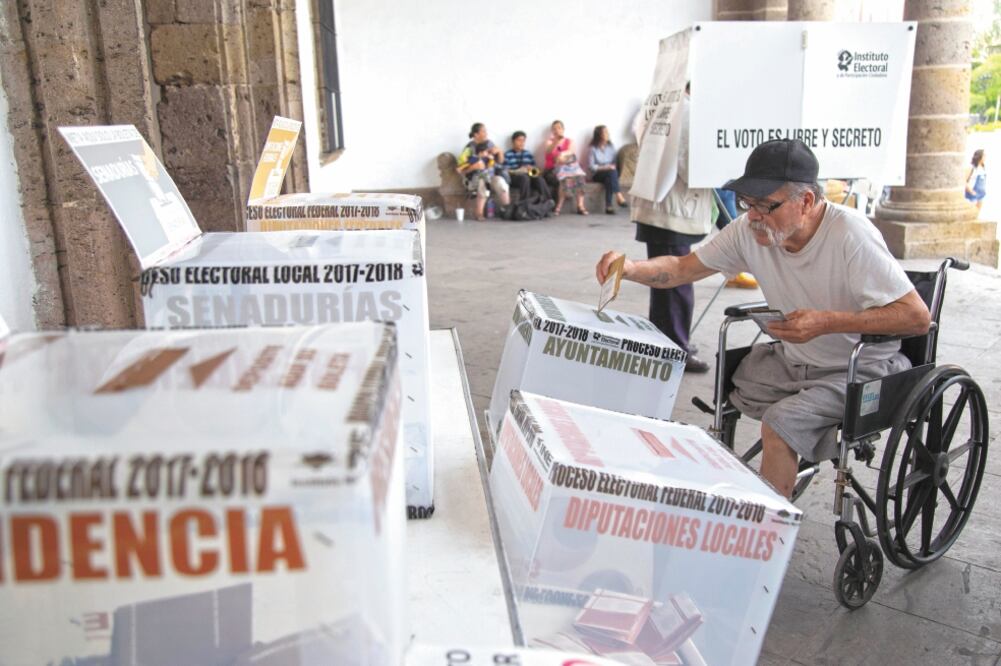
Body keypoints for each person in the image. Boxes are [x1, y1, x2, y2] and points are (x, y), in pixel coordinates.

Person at [596, 139, 930, 498]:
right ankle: (738, 487)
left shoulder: (850, 235)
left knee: (779, 424)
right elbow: (681, 268)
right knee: (730, 382)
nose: (753, 215)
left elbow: (916, 317)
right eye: (747, 203)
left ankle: (767, 534)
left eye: (765, 205)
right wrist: (630, 268)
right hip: (794, 362)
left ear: (805, 202)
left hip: (858, 370)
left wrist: (827, 322)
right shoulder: (749, 230)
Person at [631, 87, 714, 373]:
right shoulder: (686, 110)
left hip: (658, 204)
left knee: (664, 281)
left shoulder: (657, 104)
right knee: (676, 280)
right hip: (673, 207)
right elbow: (692, 164)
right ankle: (674, 348)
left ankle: (665, 343)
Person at [457, 122, 511, 221]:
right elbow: (461, 171)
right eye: (484, 131)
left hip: (491, 175)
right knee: (483, 185)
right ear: (476, 134)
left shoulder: (489, 144)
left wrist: (500, 152)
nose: (486, 134)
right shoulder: (469, 149)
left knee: (501, 182)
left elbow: (500, 161)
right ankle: (479, 213)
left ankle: (508, 210)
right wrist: (473, 167)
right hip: (475, 178)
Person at [544, 120, 589, 215]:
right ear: (552, 131)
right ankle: (558, 206)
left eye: (559, 128)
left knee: (580, 177)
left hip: (569, 167)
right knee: (565, 178)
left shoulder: (569, 141)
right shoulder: (549, 142)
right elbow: (549, 152)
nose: (557, 130)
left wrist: (562, 155)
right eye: (554, 128)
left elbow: (570, 152)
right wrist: (556, 142)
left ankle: (580, 205)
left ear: (563, 129)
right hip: (553, 169)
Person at [588, 125, 628, 214]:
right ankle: (618, 195)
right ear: (599, 135)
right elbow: (591, 167)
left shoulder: (611, 147)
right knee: (611, 172)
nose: (607, 134)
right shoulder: (593, 148)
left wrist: (610, 168)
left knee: (609, 178)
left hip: (610, 173)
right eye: (605, 132)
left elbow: (614, 163)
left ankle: (609, 206)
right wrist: (606, 167)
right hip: (597, 174)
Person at [504, 131, 552, 202]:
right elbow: (506, 170)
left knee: (538, 178)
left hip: (528, 173)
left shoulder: (528, 154)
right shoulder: (508, 154)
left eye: (523, 141)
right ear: (513, 141)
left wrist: (532, 169)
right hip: (515, 176)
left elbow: (535, 170)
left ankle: (549, 201)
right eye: (519, 140)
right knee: (524, 178)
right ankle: (524, 204)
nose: (522, 143)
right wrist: (519, 170)